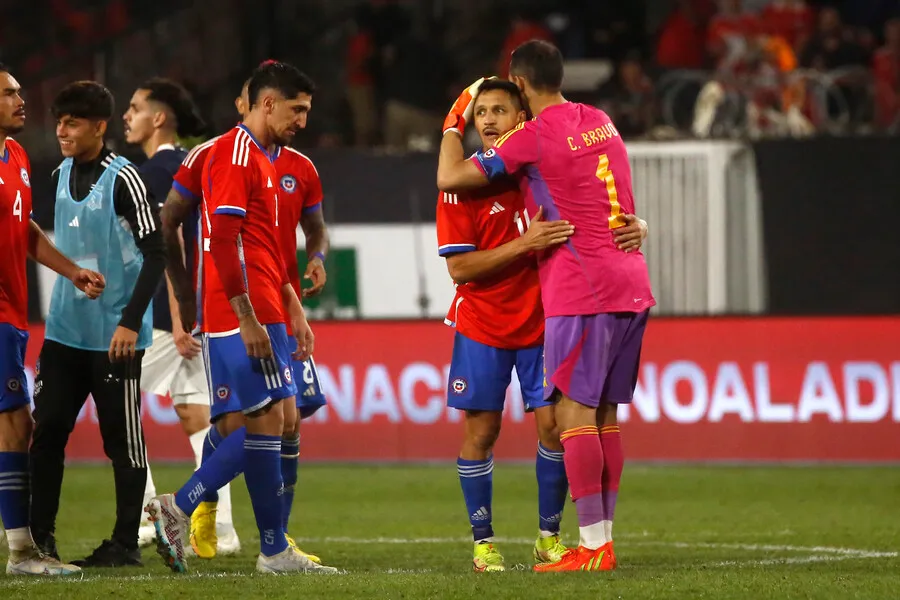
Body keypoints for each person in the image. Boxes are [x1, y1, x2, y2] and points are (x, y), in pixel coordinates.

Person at [437, 40, 655, 572]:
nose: (490, 120)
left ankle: (586, 544)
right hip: (622, 284)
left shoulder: (531, 142)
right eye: (481, 112)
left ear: (522, 93)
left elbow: (449, 175)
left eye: (501, 108)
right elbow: (615, 198)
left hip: (576, 296)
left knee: (571, 418)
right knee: (600, 417)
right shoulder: (600, 121)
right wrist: (640, 225)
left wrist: (452, 122)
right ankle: (590, 541)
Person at [146, 61, 337, 575]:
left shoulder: (269, 160)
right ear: (267, 103)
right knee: (263, 424)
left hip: (268, 304)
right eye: (297, 109)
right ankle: (183, 508)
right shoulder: (232, 155)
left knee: (281, 420)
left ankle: (272, 547)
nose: (303, 121)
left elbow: (267, 249)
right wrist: (244, 317)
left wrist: (293, 307)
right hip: (239, 310)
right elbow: (223, 242)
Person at [29, 80, 167, 567]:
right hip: (65, 332)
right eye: (59, 122)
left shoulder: (125, 178)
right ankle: (40, 540)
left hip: (114, 336)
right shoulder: (59, 173)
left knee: (122, 441)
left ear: (99, 127)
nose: (61, 131)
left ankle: (125, 544)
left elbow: (156, 253)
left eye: (72, 123)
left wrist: (130, 322)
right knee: (47, 432)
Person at [122, 77, 242, 554]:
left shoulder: (155, 173)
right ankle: (221, 530)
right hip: (196, 312)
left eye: (134, 108)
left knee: (116, 405)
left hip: (165, 314)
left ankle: (145, 518)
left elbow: (173, 246)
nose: (126, 116)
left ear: (158, 118)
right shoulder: (193, 163)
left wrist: (177, 318)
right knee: (197, 417)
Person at [0, 63, 99, 577]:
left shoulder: (15, 156)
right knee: (17, 424)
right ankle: (22, 553)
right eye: (8, 93)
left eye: (19, 91)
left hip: (14, 314)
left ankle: (23, 550)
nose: (21, 100)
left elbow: (25, 229)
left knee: (16, 424)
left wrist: (71, 270)